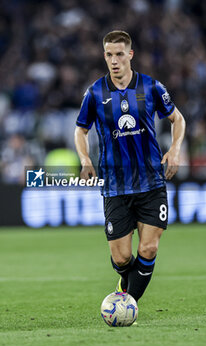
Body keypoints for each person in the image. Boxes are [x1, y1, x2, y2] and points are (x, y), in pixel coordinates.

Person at [74, 30, 185, 302]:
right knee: (122, 257)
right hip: (115, 185)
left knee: (148, 248)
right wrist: (85, 159)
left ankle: (128, 304)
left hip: (151, 182)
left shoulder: (151, 87)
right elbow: (80, 130)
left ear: (130, 55)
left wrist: (174, 149)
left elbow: (178, 119)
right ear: (104, 56)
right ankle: (125, 285)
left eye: (119, 54)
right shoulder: (95, 93)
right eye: (109, 55)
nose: (114, 60)